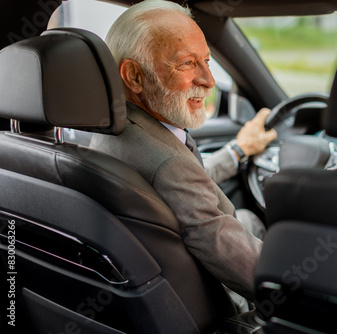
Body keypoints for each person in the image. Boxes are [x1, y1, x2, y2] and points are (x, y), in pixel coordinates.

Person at [89, 0, 277, 303]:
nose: (209, 81)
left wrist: (239, 150)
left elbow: (181, 182)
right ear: (134, 76)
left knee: (247, 220)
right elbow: (226, 248)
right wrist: (314, 290)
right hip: (219, 304)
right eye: (187, 63)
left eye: (206, 61)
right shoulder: (168, 163)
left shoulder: (102, 132)